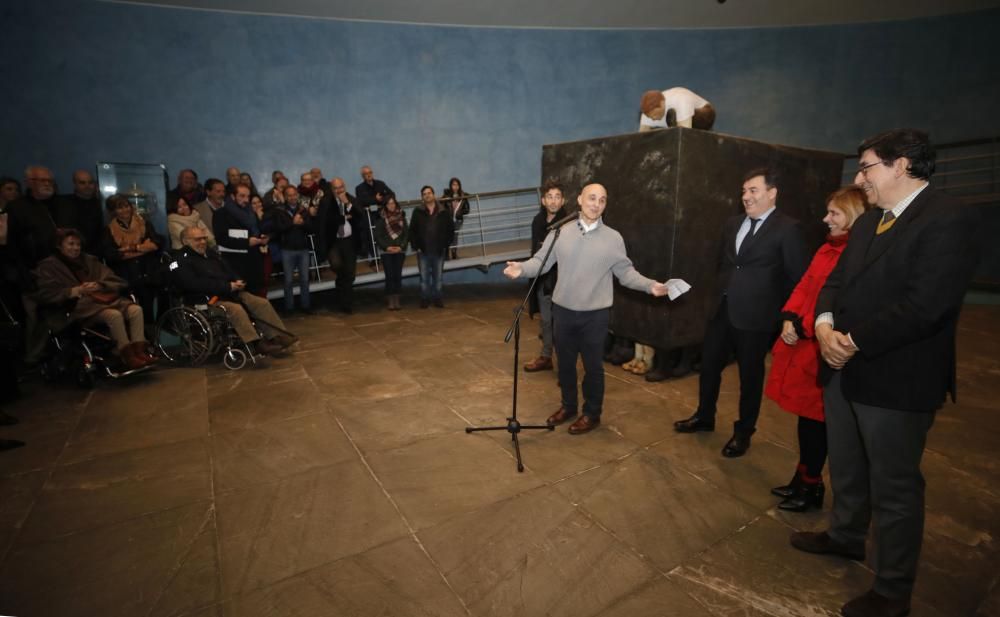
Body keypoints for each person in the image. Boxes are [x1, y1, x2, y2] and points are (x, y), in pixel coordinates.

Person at [790, 129, 981, 617]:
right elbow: (833, 284)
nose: (859, 178)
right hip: (844, 370)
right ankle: (846, 535)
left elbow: (927, 305)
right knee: (849, 466)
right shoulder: (868, 222)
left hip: (897, 380)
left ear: (901, 166)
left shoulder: (947, 218)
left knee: (894, 487)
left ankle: (893, 590)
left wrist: (851, 342)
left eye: (867, 166)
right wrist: (826, 325)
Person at [504, 183, 673, 435]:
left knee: (593, 368)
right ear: (580, 200)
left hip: (595, 316)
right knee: (566, 365)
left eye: (602, 200)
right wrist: (522, 268)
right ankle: (569, 406)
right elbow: (541, 261)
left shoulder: (613, 238)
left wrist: (651, 286)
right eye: (592, 198)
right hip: (563, 312)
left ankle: (592, 413)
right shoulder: (560, 233)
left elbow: (626, 273)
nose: (596, 204)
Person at [674, 168, 807, 458]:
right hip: (722, 310)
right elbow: (723, 264)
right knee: (708, 366)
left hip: (756, 318)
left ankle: (743, 432)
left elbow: (797, 278)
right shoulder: (733, 224)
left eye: (753, 190)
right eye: (744, 191)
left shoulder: (788, 228)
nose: (746, 196)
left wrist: (786, 317)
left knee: (750, 378)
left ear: (772, 193)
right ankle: (704, 416)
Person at [763, 185, 867, 512]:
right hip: (805, 343)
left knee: (816, 424)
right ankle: (802, 479)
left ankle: (811, 487)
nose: (826, 219)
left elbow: (840, 303)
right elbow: (805, 286)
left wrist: (805, 325)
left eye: (834, 213)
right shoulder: (827, 250)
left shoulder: (856, 255)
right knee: (806, 422)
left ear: (852, 216)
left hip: (821, 350)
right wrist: (789, 317)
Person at [35, 228, 155, 370]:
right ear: (59, 246)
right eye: (71, 244)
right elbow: (45, 294)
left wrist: (100, 285)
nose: (75, 248)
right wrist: (74, 291)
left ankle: (140, 351)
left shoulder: (89, 260)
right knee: (114, 315)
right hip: (77, 307)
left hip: (103, 299)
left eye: (78, 245)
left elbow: (117, 281)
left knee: (136, 310)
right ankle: (126, 354)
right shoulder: (49, 266)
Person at [173, 226, 296, 356]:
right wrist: (227, 286)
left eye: (204, 238)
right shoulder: (181, 260)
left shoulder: (211, 254)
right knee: (235, 309)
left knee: (260, 303)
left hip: (229, 292)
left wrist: (238, 281)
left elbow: (229, 270)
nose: (203, 242)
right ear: (186, 241)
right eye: (198, 239)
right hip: (206, 300)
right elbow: (194, 284)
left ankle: (277, 336)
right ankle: (254, 343)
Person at [101, 194, 165, 324]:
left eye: (126, 206)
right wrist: (142, 248)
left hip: (147, 271)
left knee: (149, 306)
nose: (125, 210)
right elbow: (111, 255)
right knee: (131, 310)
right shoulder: (109, 230)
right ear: (113, 211)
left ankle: (152, 333)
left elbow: (156, 244)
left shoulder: (144, 223)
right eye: (120, 208)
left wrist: (130, 248)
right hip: (125, 274)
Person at [523, 179, 567, 373]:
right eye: (550, 197)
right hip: (543, 280)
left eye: (557, 197)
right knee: (546, 321)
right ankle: (546, 356)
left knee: (563, 324)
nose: (553, 201)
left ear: (563, 201)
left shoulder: (570, 223)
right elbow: (536, 252)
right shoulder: (537, 221)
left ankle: (566, 364)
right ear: (543, 201)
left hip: (564, 281)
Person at [213, 184, 268, 297]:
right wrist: (246, 242)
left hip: (254, 261)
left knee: (257, 296)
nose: (246, 200)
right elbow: (222, 239)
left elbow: (257, 231)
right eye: (242, 196)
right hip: (235, 264)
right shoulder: (221, 214)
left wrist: (262, 238)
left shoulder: (251, 213)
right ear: (233, 196)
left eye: (248, 196)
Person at [408, 185, 454, 309]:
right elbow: (412, 230)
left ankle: (438, 298)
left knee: (438, 277)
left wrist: (446, 244)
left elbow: (451, 229)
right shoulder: (417, 212)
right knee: (424, 277)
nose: (427, 195)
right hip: (423, 251)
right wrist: (415, 246)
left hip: (439, 251)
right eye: (424, 194)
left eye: (429, 193)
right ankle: (425, 299)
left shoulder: (444, 211)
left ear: (434, 195)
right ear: (422, 197)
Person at [273, 184, 316, 314]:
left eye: (294, 195)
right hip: (287, 250)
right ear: (285, 197)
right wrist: (292, 223)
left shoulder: (303, 210)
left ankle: (306, 306)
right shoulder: (280, 211)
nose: (292, 197)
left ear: (297, 196)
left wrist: (302, 223)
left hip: (303, 249)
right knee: (288, 281)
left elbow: (311, 228)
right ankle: (289, 307)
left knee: (304, 279)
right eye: (289, 195)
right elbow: (278, 229)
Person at [373, 193, 408, 310]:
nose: (391, 205)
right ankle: (390, 301)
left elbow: (406, 235)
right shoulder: (381, 219)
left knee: (397, 275)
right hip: (386, 252)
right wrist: (387, 247)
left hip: (399, 251)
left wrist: (401, 247)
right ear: (385, 205)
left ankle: (397, 300)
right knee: (390, 276)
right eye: (389, 203)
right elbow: (378, 236)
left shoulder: (402, 217)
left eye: (393, 203)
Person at [58, 170, 104, 251]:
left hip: (97, 253)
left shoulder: (100, 203)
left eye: (90, 182)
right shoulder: (63, 203)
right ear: (75, 184)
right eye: (82, 183)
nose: (87, 186)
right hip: (73, 251)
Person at [638, 87, 715, 131]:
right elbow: (642, 138)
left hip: (705, 112)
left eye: (654, 115)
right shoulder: (646, 114)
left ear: (662, 104)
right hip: (675, 121)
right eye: (649, 117)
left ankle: (673, 127)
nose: (653, 119)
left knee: (672, 116)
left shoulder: (681, 100)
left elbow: (685, 134)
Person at [441, 177, 470, 260]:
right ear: (450, 186)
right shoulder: (446, 196)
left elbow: (467, 209)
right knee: (447, 236)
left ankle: (454, 254)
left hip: (458, 219)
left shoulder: (463, 196)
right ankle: (446, 254)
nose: (455, 187)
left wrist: (461, 213)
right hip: (448, 220)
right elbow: (441, 207)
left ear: (459, 186)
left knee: (455, 236)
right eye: (453, 185)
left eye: (457, 185)